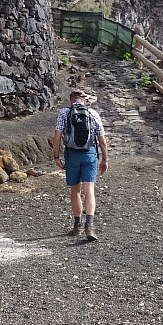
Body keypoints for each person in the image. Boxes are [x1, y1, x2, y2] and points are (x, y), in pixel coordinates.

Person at [53, 90, 108, 241]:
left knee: (75, 190)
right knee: (89, 190)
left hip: (72, 155)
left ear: (71, 101)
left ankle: (77, 226)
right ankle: (89, 226)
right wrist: (105, 160)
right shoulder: (93, 113)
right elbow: (102, 141)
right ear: (84, 101)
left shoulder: (65, 113)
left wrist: (56, 157)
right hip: (89, 154)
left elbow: (57, 137)